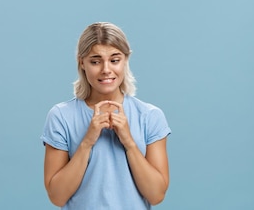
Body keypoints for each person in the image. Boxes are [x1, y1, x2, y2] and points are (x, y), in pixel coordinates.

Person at [41, 22, 172, 209]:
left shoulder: (150, 116)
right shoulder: (61, 117)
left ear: (125, 60)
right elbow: (57, 197)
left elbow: (156, 195)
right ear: (82, 62)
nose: (106, 69)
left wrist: (128, 141)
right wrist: (87, 142)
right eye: (95, 61)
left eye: (114, 60)